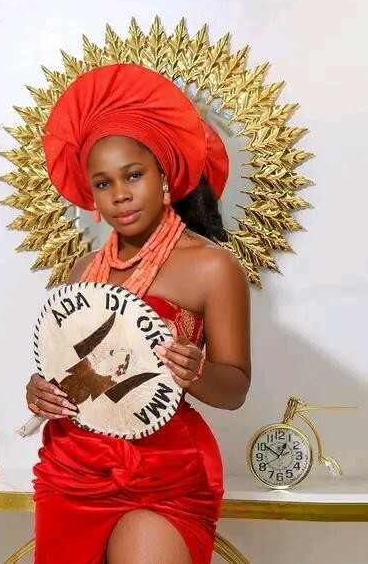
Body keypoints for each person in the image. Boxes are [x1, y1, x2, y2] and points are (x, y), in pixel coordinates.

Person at [25, 63, 251, 564]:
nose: (120, 194)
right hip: (73, 465)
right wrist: (43, 392)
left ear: (164, 175)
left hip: (163, 469)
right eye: (102, 183)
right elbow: (81, 375)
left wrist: (194, 372)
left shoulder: (212, 268)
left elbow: (235, 388)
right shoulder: (83, 271)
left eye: (133, 175)